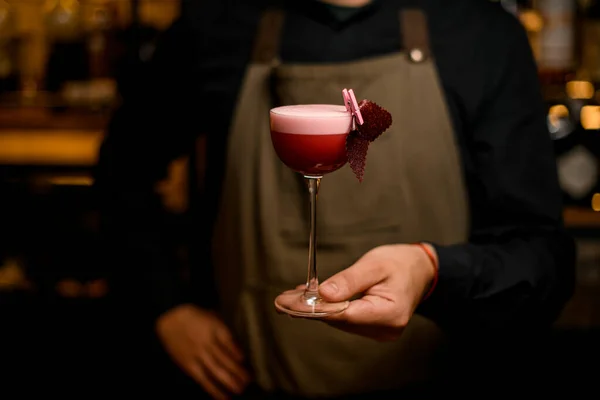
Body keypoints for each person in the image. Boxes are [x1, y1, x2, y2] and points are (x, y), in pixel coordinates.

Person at [94, 0, 576, 398]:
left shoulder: (481, 32)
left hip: (437, 381)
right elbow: (122, 173)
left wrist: (432, 270)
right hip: (251, 380)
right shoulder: (215, 27)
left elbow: (542, 259)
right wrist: (164, 305)